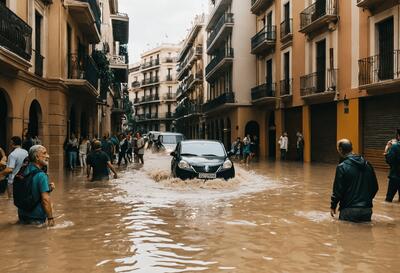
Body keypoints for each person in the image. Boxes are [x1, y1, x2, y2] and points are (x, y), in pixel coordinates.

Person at [330, 139, 379, 223]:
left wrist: (333, 206)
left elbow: (338, 190)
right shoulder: (368, 164)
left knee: (346, 235)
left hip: (348, 210)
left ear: (341, 150)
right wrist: (366, 201)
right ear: (352, 148)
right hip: (367, 210)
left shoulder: (342, 167)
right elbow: (375, 187)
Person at [17, 145, 55, 226]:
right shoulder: (41, 175)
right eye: (44, 153)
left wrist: (48, 188)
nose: (48, 156)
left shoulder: (23, 170)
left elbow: (29, 188)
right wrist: (50, 219)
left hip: (22, 215)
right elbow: (45, 199)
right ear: (37, 157)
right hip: (36, 218)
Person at [383, 129, 400, 202]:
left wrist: (387, 148)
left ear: (398, 136)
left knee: (388, 200)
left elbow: (390, 161)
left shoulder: (395, 147)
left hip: (395, 176)